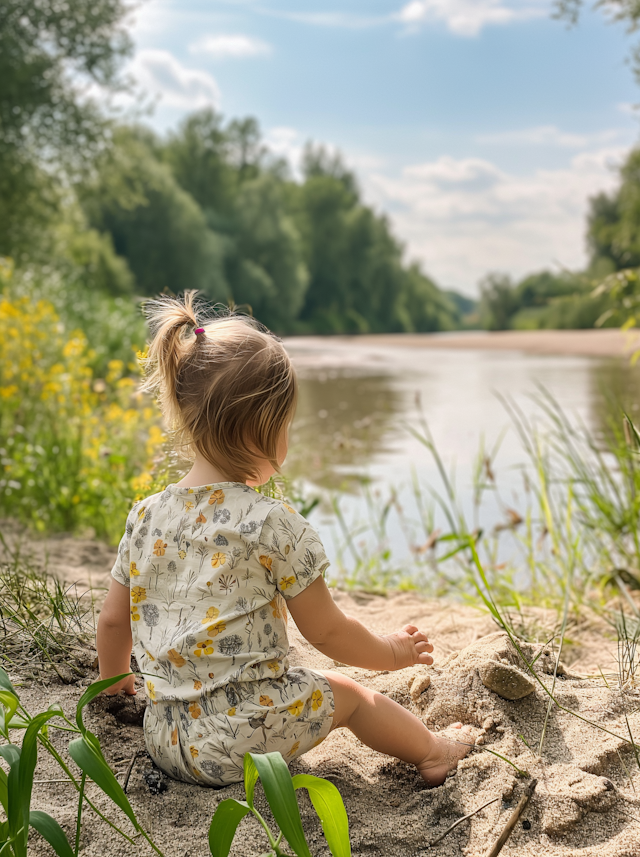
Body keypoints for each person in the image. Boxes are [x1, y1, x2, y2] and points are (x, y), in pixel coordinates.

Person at [96, 291, 478, 788]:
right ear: (265, 428)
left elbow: (111, 620)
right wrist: (392, 652)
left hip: (165, 738)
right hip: (239, 740)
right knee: (352, 697)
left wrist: (117, 682)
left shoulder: (145, 516)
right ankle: (434, 751)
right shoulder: (270, 523)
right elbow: (328, 635)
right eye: (287, 426)